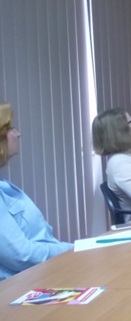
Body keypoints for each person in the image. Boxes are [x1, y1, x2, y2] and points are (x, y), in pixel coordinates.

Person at [0, 103, 72, 280]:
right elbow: (21, 255)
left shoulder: (4, 185)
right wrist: (74, 249)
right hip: (22, 285)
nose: (18, 134)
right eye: (12, 129)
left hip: (43, 273)